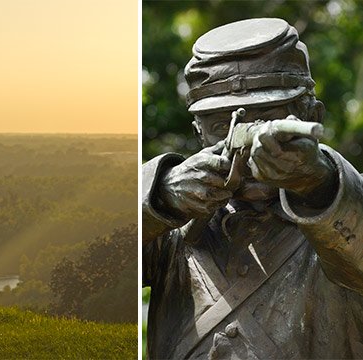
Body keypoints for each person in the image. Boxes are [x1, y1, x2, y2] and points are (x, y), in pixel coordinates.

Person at [142, 18, 363, 359]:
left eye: (268, 120)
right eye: (220, 126)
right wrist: (159, 197)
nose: (243, 147)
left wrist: (317, 181)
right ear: (199, 135)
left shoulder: (342, 207)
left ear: (312, 115)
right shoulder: (171, 230)